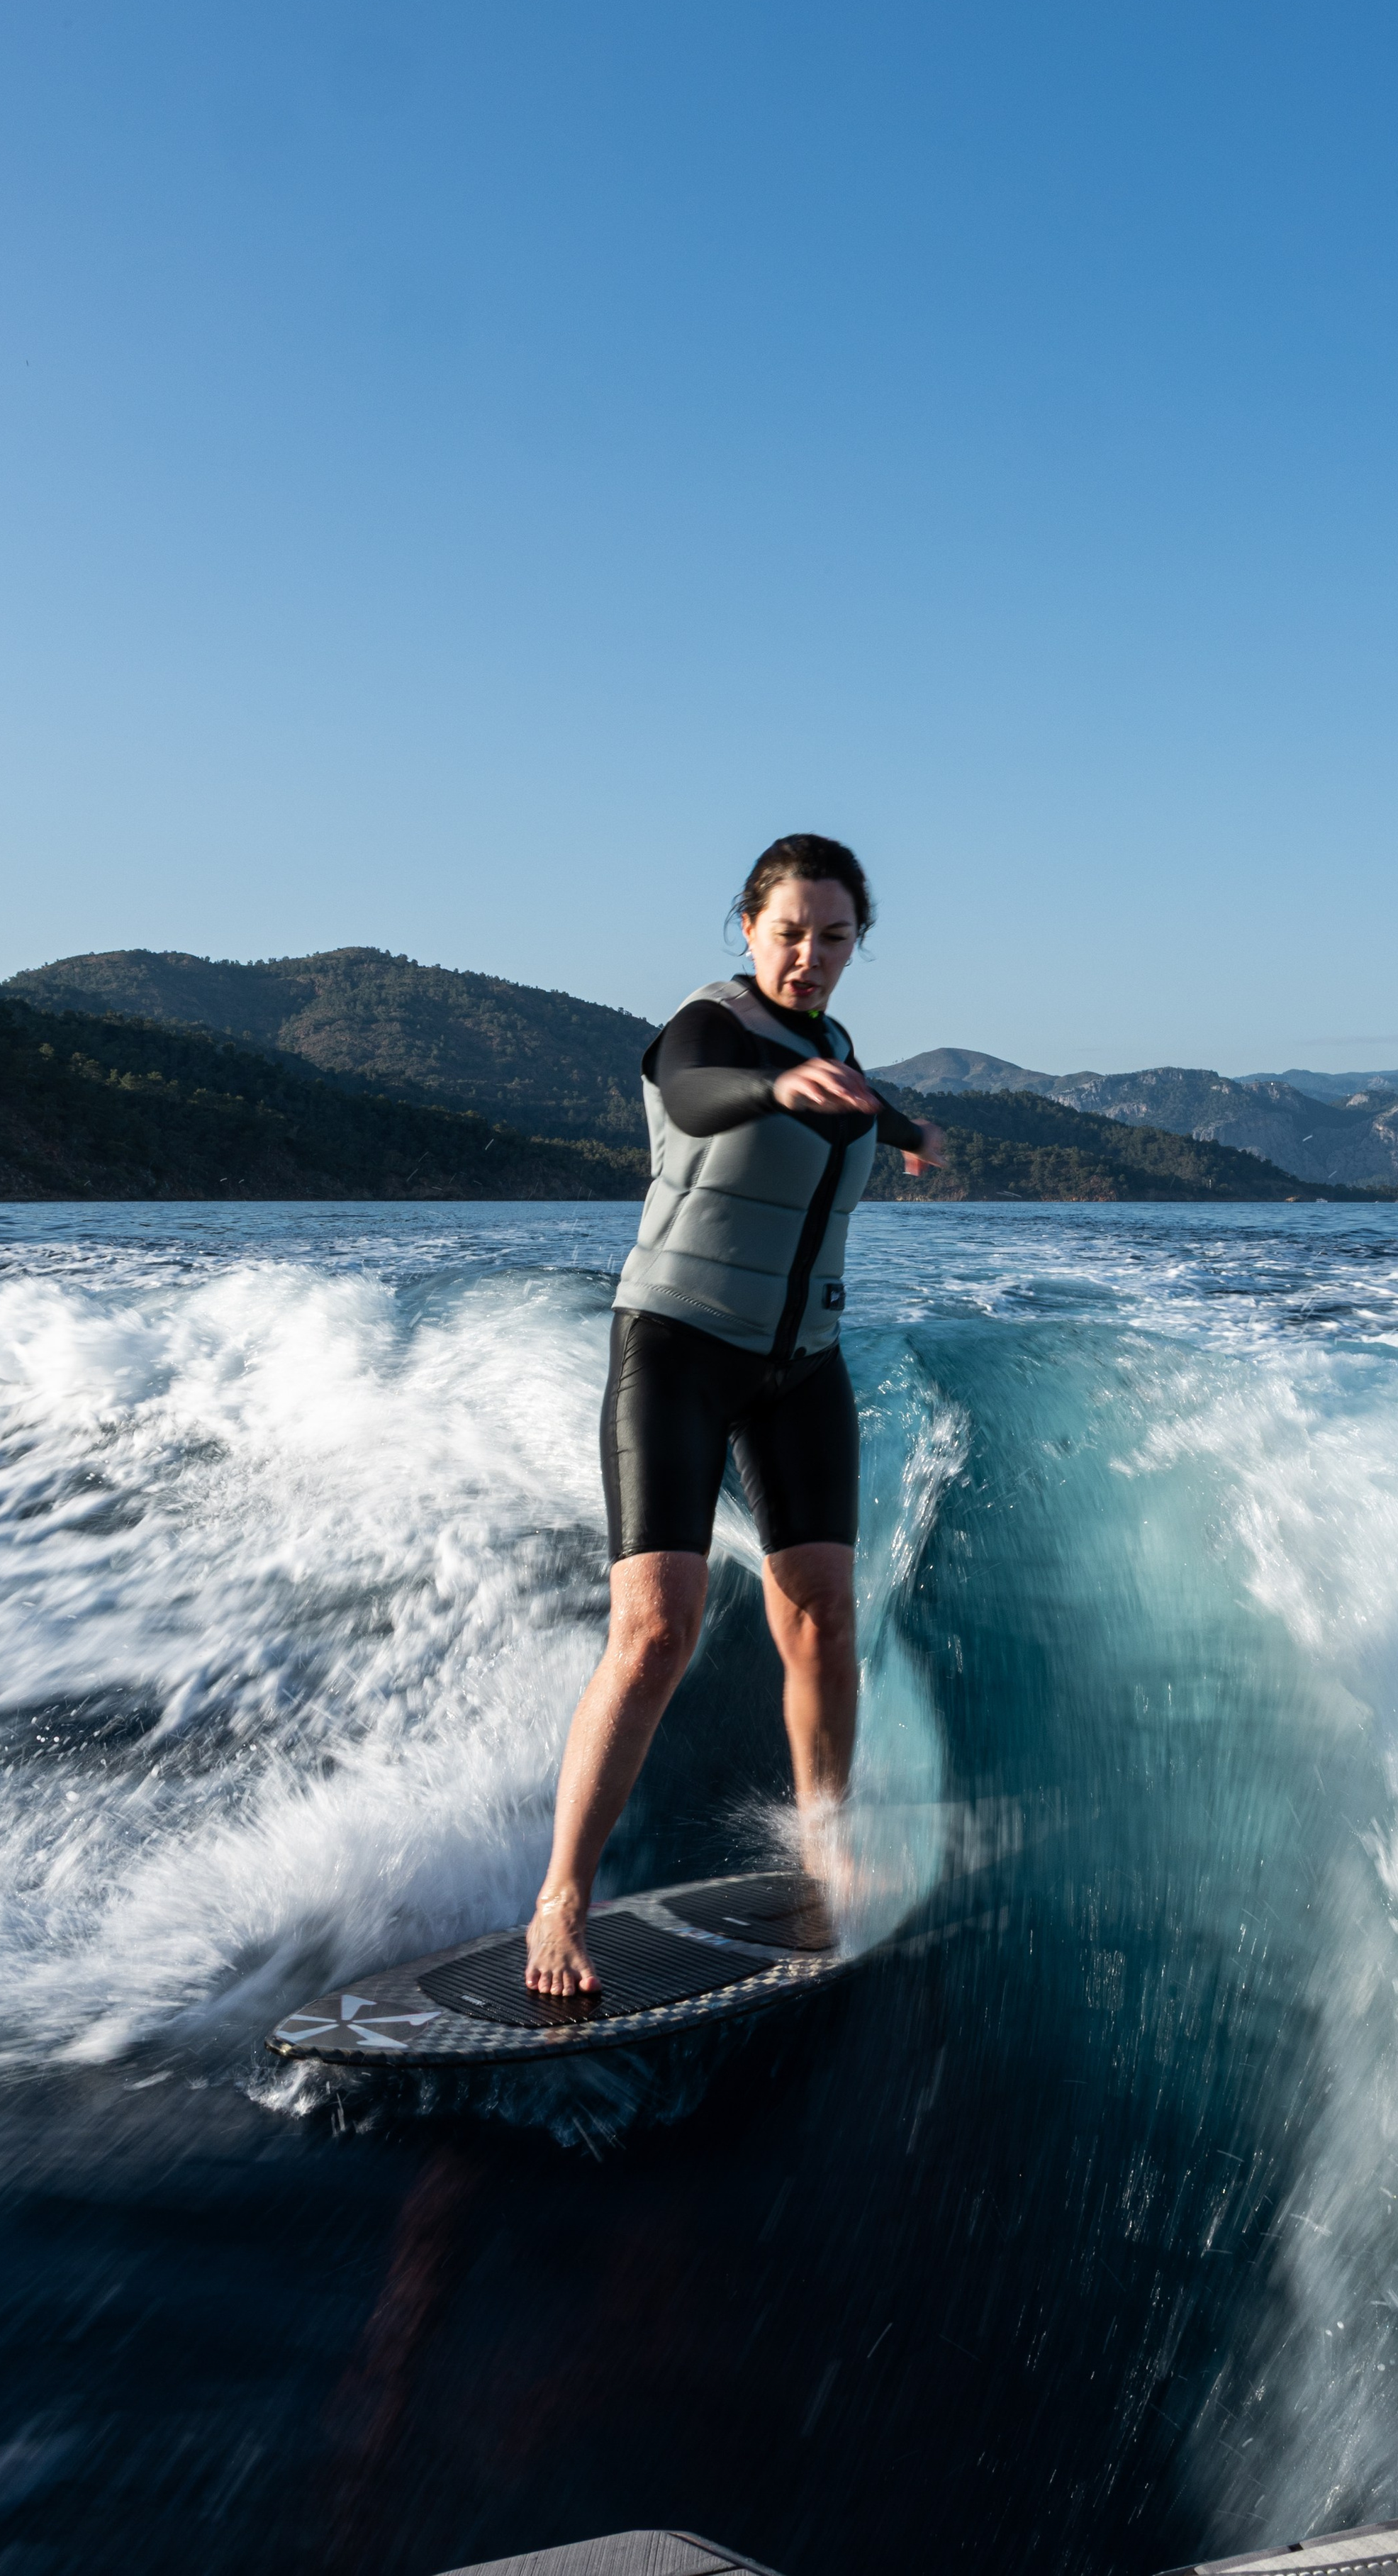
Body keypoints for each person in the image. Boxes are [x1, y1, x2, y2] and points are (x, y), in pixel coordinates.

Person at [525, 832, 946, 1995]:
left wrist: (907, 1133)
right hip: (677, 1347)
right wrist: (776, 1087)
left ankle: (825, 1847)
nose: (811, 955)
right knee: (658, 1627)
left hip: (801, 1361)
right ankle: (561, 1898)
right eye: (790, 932)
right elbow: (706, 1098)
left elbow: (841, 1088)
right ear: (749, 928)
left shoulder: (836, 1047)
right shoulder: (706, 1028)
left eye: (836, 937)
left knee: (820, 1608)